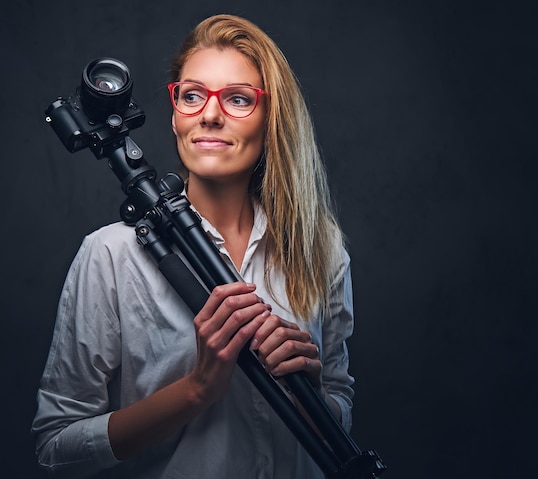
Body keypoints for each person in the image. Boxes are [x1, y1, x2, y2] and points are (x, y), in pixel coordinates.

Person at [32, 13, 355, 479]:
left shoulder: (321, 250)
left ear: (271, 120)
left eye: (239, 99)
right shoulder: (112, 256)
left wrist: (314, 401)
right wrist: (198, 387)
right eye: (192, 95)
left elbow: (340, 403)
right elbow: (54, 447)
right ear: (174, 114)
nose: (209, 114)